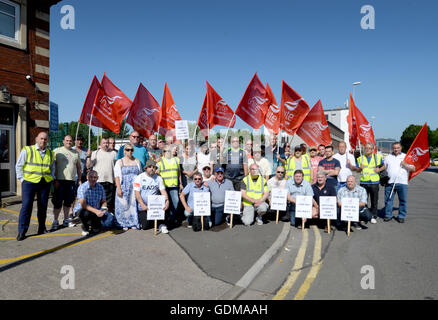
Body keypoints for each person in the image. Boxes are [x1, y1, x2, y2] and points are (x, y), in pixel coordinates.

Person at [15, 131, 54, 240]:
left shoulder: (50, 153)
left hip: (44, 183)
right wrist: (22, 179)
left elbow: (52, 168)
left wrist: (52, 178)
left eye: (45, 139)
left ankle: (42, 228)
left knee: (43, 207)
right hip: (29, 183)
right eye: (41, 138)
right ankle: (22, 231)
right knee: (26, 206)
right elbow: (19, 166)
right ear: (36, 139)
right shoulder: (28, 150)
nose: (43, 141)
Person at [51, 135, 82, 231]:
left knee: (68, 202)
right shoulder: (57, 151)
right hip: (59, 181)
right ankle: (55, 220)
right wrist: (54, 179)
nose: (69, 142)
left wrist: (80, 179)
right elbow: (52, 167)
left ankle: (65, 220)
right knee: (57, 202)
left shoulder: (76, 153)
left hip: (71, 181)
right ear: (63, 141)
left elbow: (79, 168)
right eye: (67, 140)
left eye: (70, 141)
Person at [351, 142, 383, 224]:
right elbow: (357, 170)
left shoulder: (377, 157)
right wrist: (360, 168)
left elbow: (384, 165)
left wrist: (379, 169)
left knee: (374, 200)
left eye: (369, 148)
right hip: (364, 182)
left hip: (374, 182)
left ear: (372, 149)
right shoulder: (360, 158)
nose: (367, 149)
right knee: (363, 200)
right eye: (366, 148)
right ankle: (364, 215)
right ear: (364, 149)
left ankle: (373, 216)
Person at [133, 160, 169, 232]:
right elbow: (137, 193)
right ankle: (153, 221)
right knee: (145, 226)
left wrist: (167, 201)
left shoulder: (158, 178)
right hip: (144, 206)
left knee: (165, 207)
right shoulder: (139, 177)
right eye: (150, 167)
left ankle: (161, 224)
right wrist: (142, 204)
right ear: (146, 168)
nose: (152, 169)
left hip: (155, 205)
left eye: (154, 167)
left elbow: (163, 191)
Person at [383, 142, 415, 223]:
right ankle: (388, 215)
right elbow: (384, 168)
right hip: (390, 183)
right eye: (394, 148)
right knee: (388, 200)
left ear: (401, 148)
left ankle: (401, 216)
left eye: (398, 148)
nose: (396, 149)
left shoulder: (406, 157)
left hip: (402, 183)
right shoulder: (388, 157)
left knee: (402, 201)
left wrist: (405, 165)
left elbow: (413, 169)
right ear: (392, 148)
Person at [114, 143, 142, 230]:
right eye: (127, 150)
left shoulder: (137, 161)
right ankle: (123, 223)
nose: (129, 151)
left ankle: (133, 222)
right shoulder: (120, 161)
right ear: (124, 151)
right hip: (123, 185)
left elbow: (140, 174)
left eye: (131, 150)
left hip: (134, 187)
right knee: (123, 205)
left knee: (133, 205)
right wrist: (119, 188)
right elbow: (117, 176)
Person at [86, 137, 117, 213]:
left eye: (107, 143)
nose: (106, 145)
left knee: (109, 203)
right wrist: (89, 156)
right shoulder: (95, 153)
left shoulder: (114, 153)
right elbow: (88, 165)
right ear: (100, 144)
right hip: (98, 181)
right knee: (98, 201)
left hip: (110, 181)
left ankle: (107, 219)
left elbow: (117, 168)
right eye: (104, 143)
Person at [73, 170, 107, 236]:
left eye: (95, 177)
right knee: (85, 213)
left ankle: (94, 225)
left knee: (107, 221)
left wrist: (103, 209)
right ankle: (85, 227)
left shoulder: (100, 187)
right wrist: (97, 211)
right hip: (83, 210)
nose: (93, 179)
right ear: (87, 177)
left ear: (97, 178)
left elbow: (103, 201)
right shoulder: (82, 187)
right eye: (91, 177)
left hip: (95, 210)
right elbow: (83, 205)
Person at [157, 145, 183, 227]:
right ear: (163, 152)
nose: (167, 152)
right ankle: (164, 220)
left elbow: (179, 173)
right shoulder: (160, 161)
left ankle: (171, 219)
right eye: (166, 151)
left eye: (169, 151)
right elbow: (156, 172)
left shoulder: (176, 160)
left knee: (175, 203)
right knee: (164, 203)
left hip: (174, 185)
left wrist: (181, 183)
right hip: (164, 186)